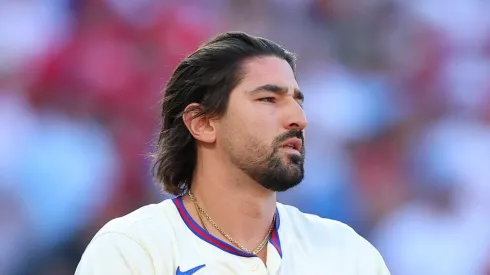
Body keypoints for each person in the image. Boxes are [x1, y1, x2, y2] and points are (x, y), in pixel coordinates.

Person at [75, 31, 390, 275]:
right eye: (268, 99)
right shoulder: (134, 249)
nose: (299, 118)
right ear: (203, 124)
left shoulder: (346, 252)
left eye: (298, 101)